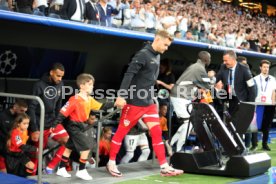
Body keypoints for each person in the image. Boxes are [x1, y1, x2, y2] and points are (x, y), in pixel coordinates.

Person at [106, 30, 183, 177]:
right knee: (121, 132)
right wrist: (122, 95)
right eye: (165, 44)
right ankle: (111, 163)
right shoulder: (142, 54)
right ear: (157, 40)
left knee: (156, 133)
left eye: (168, 45)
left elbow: (149, 78)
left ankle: (164, 166)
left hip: (148, 104)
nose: (167, 48)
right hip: (134, 103)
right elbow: (129, 74)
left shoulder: (158, 55)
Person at [54, 73, 114, 180]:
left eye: (92, 84)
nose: (92, 86)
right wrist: (55, 124)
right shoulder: (75, 99)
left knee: (69, 147)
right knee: (86, 147)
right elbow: (63, 112)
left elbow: (101, 106)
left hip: (81, 126)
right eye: (90, 84)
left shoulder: (89, 99)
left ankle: (61, 168)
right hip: (73, 126)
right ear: (81, 86)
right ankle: (81, 170)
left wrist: (115, 103)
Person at [28, 63, 69, 174]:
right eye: (58, 75)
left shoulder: (61, 84)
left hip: (52, 122)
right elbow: (31, 108)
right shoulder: (39, 85)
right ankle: (30, 178)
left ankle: (50, 167)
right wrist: (35, 128)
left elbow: (59, 105)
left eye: (62, 76)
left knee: (67, 141)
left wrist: (56, 122)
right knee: (37, 155)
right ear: (51, 72)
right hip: (39, 124)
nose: (60, 79)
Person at [170, 51, 211, 152]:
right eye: (209, 58)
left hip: (181, 95)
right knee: (190, 122)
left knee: (188, 122)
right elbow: (207, 87)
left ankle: (170, 144)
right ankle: (177, 148)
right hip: (180, 96)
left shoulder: (195, 66)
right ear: (206, 59)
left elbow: (193, 85)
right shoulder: (200, 68)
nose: (210, 60)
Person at [215, 50, 256, 148]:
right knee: (231, 125)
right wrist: (216, 84)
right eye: (223, 61)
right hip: (230, 101)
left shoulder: (244, 69)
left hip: (242, 101)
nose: (224, 63)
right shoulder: (223, 67)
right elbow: (218, 79)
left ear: (233, 59)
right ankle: (233, 147)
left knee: (238, 126)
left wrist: (250, 104)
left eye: (226, 61)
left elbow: (252, 88)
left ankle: (239, 147)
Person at [251, 60, 276, 151]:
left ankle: (264, 144)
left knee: (267, 125)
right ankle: (254, 144)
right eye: (264, 67)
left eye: (267, 67)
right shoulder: (255, 78)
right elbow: (252, 92)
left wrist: (274, 102)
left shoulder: (273, 79)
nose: (266, 69)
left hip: (269, 104)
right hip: (258, 104)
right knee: (255, 125)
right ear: (260, 67)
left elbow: (274, 91)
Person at [0, 99, 28, 173]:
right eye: (22, 111)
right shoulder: (2, 116)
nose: (24, 113)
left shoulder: (20, 118)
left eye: (25, 111)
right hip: (3, 146)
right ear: (15, 107)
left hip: (14, 148)